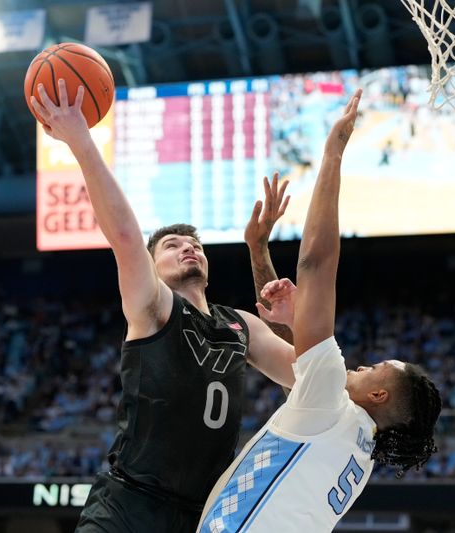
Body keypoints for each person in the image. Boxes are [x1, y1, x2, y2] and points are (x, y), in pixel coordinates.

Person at [31, 81, 297, 533]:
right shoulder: (154, 305)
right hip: (127, 506)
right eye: (173, 245)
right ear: (152, 267)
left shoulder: (240, 324)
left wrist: (258, 251)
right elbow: (126, 238)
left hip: (199, 517)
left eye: (195, 244)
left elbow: (303, 376)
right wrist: (80, 140)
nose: (189, 249)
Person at [197, 90, 442, 532]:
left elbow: (316, 264)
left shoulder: (332, 405)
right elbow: (295, 353)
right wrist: (258, 252)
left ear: (380, 396)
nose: (365, 363)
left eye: (377, 368)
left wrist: (332, 153)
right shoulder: (354, 442)